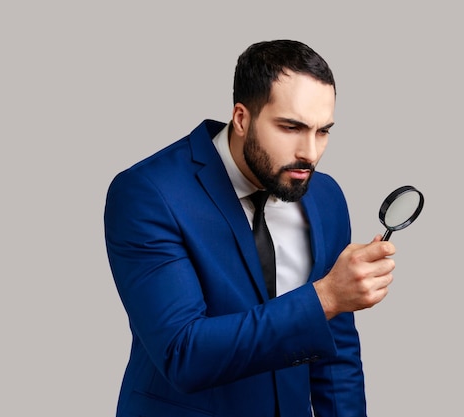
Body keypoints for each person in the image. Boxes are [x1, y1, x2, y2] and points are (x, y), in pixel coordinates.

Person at [104, 39, 396, 417]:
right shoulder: (149, 193)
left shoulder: (325, 197)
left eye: (323, 131)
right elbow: (183, 353)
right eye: (291, 127)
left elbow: (335, 353)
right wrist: (325, 298)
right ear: (241, 118)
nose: (310, 152)